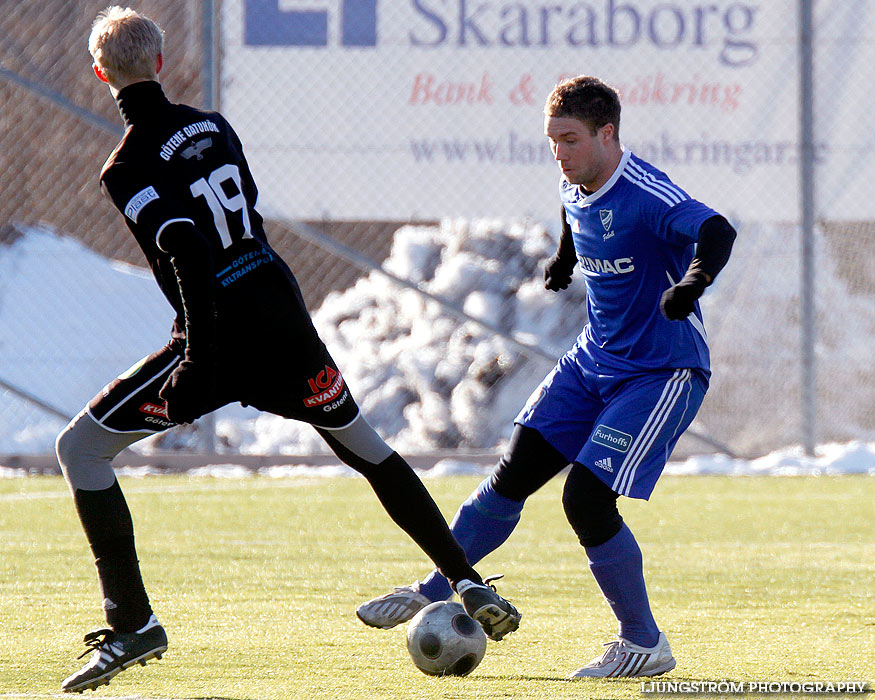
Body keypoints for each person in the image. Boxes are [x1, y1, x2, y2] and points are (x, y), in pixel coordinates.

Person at [57, 6, 520, 693]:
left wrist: (197, 363)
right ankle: (464, 576)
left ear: (102, 75)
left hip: (219, 337)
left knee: (81, 450)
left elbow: (184, 244)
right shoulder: (214, 126)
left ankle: (133, 625)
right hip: (281, 313)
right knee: (364, 448)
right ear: (160, 63)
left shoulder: (125, 166)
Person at [356, 75, 737, 679]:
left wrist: (691, 283)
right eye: (551, 139)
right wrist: (564, 259)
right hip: (593, 360)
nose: (558, 152)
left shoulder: (647, 192)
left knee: (584, 498)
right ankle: (435, 586)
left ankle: (644, 643)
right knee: (514, 473)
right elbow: (574, 208)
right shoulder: (576, 176)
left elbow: (717, 230)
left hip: (661, 372)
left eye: (569, 138)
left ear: (607, 134)